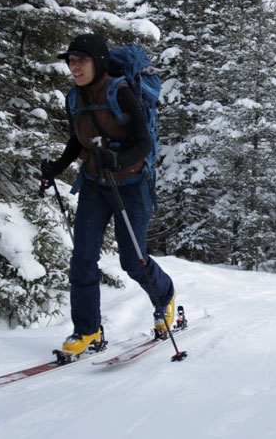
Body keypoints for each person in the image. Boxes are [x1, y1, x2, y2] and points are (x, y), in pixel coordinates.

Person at [40, 33, 175, 357]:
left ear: (98, 62)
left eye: (81, 61)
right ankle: (87, 329)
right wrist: (58, 165)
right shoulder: (75, 97)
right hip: (94, 184)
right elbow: (79, 137)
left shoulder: (120, 91)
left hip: (131, 185)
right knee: (83, 257)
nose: (75, 67)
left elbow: (142, 142)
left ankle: (166, 298)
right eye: (71, 62)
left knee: (133, 260)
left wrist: (118, 158)